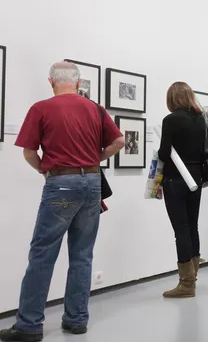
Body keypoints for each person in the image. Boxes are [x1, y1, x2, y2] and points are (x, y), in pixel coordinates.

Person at [0, 62, 124, 342]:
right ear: (78, 83)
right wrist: (96, 160)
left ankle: (29, 325)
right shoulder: (94, 108)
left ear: (50, 81)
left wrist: (45, 168)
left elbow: (29, 152)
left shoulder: (42, 108)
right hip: (92, 183)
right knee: (82, 254)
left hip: (61, 183)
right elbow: (119, 141)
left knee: (42, 254)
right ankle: (77, 320)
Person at [158, 82, 208, 297]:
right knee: (192, 226)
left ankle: (186, 284)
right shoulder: (200, 119)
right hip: (195, 179)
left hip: (175, 179)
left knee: (180, 229)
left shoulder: (170, 120)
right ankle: (192, 276)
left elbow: (163, 152)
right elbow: (203, 151)